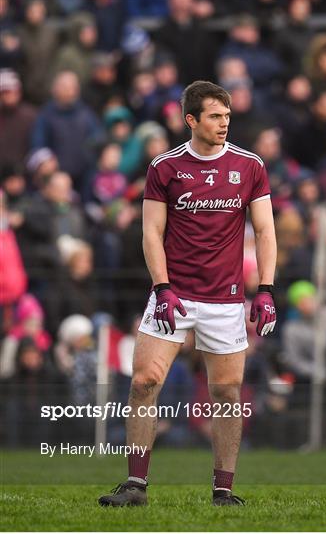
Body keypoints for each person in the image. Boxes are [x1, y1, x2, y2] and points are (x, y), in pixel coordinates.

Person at [98, 80, 277, 507]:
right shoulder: (165, 167)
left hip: (226, 300)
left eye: (227, 117)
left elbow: (266, 230)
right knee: (144, 381)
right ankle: (136, 485)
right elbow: (151, 232)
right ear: (190, 119)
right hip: (173, 295)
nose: (223, 125)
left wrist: (266, 290)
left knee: (227, 392)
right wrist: (161, 287)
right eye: (215, 116)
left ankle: (223, 490)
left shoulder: (250, 165)